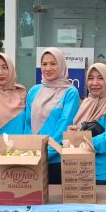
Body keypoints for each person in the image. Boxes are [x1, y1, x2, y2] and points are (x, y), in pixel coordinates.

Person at [25, 47, 80, 184]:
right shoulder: (34, 91)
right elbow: (27, 124)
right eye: (44, 64)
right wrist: (28, 152)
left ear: (61, 65)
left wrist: (45, 155)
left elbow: (64, 128)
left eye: (53, 64)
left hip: (56, 160)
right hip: (32, 157)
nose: (48, 68)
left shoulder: (70, 92)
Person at [69, 63, 106, 185]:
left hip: (104, 174)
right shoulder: (86, 103)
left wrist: (80, 142)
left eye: (100, 78)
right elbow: (81, 129)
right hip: (81, 169)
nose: (94, 83)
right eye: (90, 78)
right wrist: (74, 132)